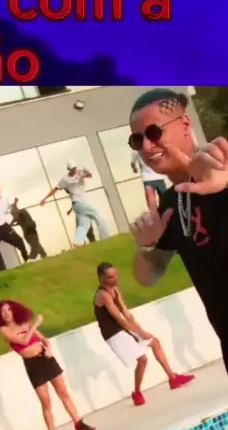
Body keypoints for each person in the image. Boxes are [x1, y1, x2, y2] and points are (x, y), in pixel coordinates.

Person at [128, 88, 228, 375]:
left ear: (185, 124)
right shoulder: (171, 203)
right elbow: (147, 277)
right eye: (138, 140)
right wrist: (146, 245)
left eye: (154, 132)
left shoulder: (223, 167)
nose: (147, 147)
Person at [0, 300, 95, 430]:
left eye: (9, 310)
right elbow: (23, 341)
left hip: (45, 358)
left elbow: (44, 339)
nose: (6, 314)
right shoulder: (4, 329)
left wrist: (48, 349)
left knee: (63, 393)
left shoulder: (25, 324)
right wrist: (35, 324)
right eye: (2, 312)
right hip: (33, 365)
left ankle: (78, 423)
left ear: (14, 311)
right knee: (46, 401)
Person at [95, 262, 194, 406]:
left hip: (123, 328)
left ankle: (173, 378)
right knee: (142, 359)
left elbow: (126, 313)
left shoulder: (115, 289)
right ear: (102, 278)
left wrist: (139, 328)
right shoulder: (103, 295)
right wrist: (140, 332)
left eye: (116, 275)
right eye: (111, 277)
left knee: (155, 342)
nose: (115, 278)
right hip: (113, 333)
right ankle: (136, 392)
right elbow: (119, 319)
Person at [40, 159, 110, 246]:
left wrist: (87, 172)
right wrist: (45, 199)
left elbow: (89, 175)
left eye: (74, 168)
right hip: (80, 202)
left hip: (77, 205)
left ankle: (78, 241)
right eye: (72, 169)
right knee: (97, 214)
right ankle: (105, 237)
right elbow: (55, 189)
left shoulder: (80, 172)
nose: (74, 170)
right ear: (69, 170)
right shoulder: (65, 179)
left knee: (84, 223)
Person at [0, 183, 29, 272]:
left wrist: (15, 202)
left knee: (19, 241)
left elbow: (12, 208)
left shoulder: (5, 200)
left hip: (3, 227)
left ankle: (27, 260)